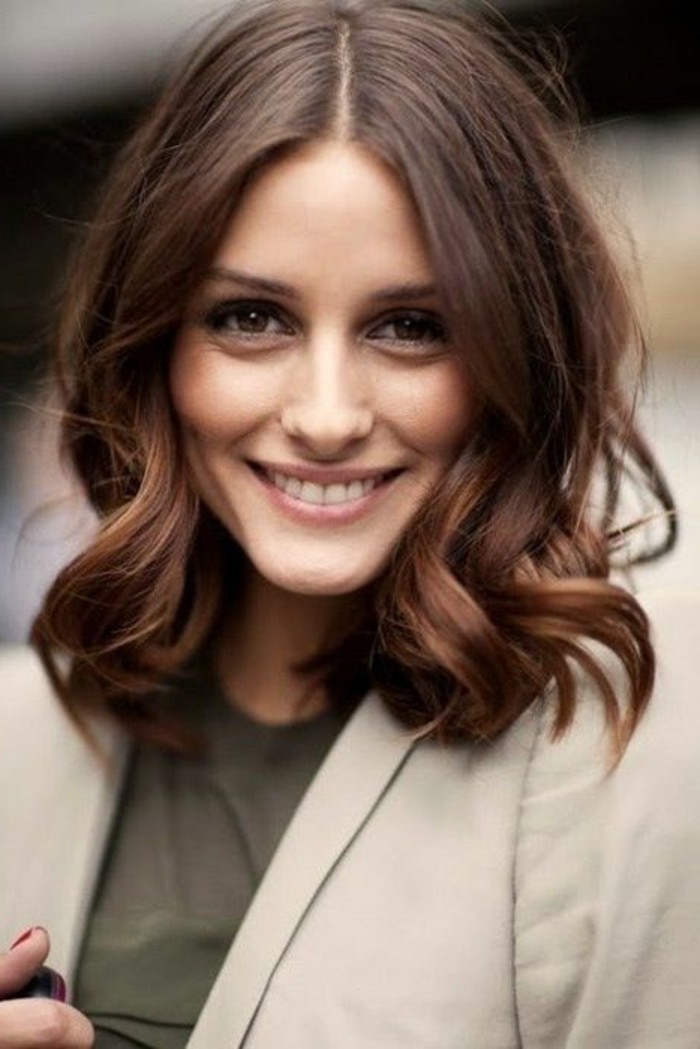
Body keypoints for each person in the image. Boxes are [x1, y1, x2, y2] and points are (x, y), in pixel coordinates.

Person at [1, 0, 698, 1045]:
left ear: (516, 356)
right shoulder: (21, 733)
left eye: (410, 327)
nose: (327, 415)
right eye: (251, 318)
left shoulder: (639, 748)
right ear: (151, 346)